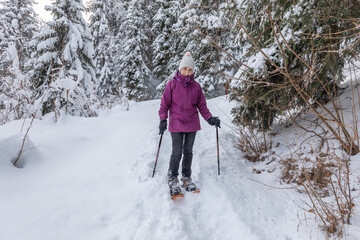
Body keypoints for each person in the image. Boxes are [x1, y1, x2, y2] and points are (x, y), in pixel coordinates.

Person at [158, 52, 220, 195]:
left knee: (188, 152)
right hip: (176, 123)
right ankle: (172, 176)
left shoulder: (196, 87)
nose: (187, 72)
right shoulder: (171, 84)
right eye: (185, 69)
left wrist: (210, 119)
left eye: (190, 70)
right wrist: (163, 119)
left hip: (191, 124)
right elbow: (164, 105)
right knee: (177, 152)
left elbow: (202, 107)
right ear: (180, 68)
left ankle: (186, 176)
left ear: (193, 71)